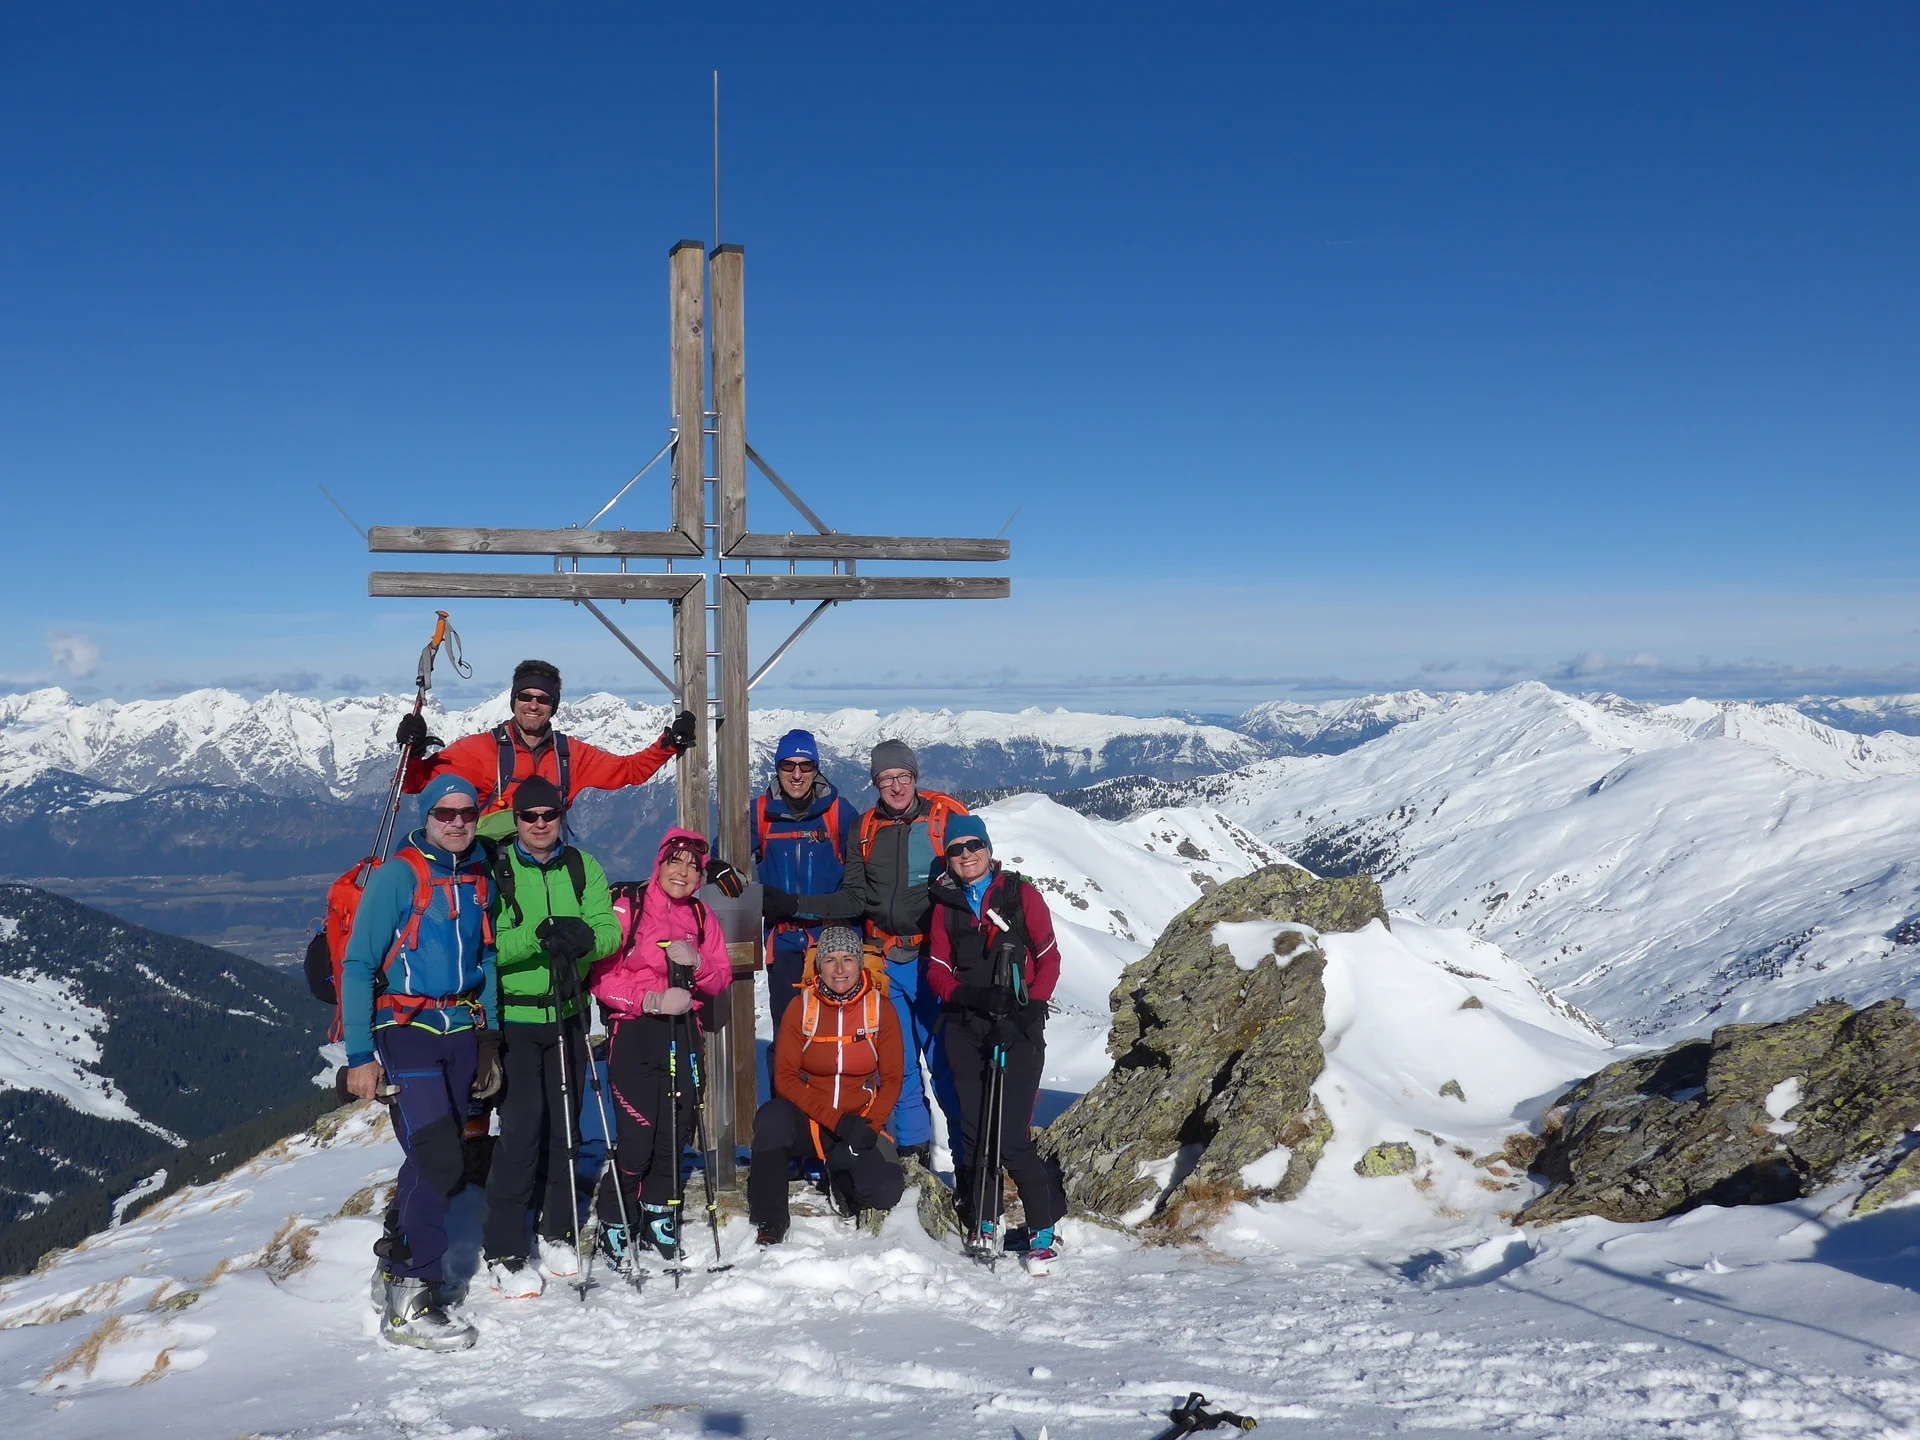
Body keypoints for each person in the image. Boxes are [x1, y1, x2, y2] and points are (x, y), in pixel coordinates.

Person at [339, 774, 500, 1350]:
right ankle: (412, 1295)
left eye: (467, 814)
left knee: (437, 1154)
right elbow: (358, 965)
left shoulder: (477, 874)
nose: (457, 822)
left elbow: (486, 958)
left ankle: (395, 1265)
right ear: (427, 816)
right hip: (405, 1031)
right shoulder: (398, 875)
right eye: (445, 813)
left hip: (460, 1030)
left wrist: (489, 1036)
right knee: (438, 1156)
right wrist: (360, 1056)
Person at [762, 740, 967, 1167]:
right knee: (899, 1066)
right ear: (875, 783)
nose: (896, 786)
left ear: (915, 777)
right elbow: (853, 898)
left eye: (903, 776)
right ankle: (912, 1158)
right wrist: (795, 905)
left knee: (946, 1064)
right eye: (886, 778)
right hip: (885, 960)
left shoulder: (942, 822)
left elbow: (972, 875)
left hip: (933, 960)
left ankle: (968, 1158)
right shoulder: (865, 829)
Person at [480, 776, 621, 1298]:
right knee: (520, 1132)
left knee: (566, 1127)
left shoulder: (582, 866)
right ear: (516, 819)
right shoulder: (497, 871)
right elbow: (489, 945)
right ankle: (503, 1246)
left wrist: (585, 940)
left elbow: (608, 929)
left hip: (567, 1013)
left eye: (549, 814)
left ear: (561, 816)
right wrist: (538, 936)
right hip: (517, 1019)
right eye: (530, 816)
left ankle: (557, 1227)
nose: (540, 824)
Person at [925, 814, 1067, 1276]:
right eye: (956, 849)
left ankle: (1043, 1226)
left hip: (1018, 1027)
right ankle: (985, 1217)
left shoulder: (1020, 895)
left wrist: (1026, 1014)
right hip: (966, 1026)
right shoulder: (945, 904)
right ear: (948, 857)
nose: (966, 855)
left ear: (988, 849)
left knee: (1009, 1138)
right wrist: (970, 996)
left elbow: (1048, 957)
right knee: (972, 1131)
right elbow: (937, 969)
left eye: (974, 846)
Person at [586, 829, 733, 1265]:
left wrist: (698, 964)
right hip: (634, 1033)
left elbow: (720, 978)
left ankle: (657, 1215)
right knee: (637, 1139)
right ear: (660, 863)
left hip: (684, 1030)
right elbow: (601, 978)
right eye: (675, 861)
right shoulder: (628, 907)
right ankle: (616, 1220)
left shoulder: (702, 916)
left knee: (674, 1131)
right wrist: (649, 1000)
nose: (683, 872)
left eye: (693, 867)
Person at [397, 659, 698, 838]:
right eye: (525, 696)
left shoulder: (571, 755)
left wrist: (669, 744)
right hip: (489, 867)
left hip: (547, 863)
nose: (533, 705)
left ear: (553, 706)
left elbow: (628, 771)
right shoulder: (478, 750)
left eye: (543, 699)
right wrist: (412, 754)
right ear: (513, 700)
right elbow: (413, 784)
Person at [748, 925, 906, 1245]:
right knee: (771, 1118)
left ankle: (840, 1176)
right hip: (810, 1120)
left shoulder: (880, 1009)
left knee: (884, 1190)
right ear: (818, 966)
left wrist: (869, 1126)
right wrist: (837, 1122)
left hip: (859, 1120)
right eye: (830, 959)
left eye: (848, 959)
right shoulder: (802, 1007)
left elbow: (892, 1080)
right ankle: (770, 1217)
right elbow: (785, 1078)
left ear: (860, 963)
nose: (839, 969)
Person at [752, 729, 859, 1053]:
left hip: (833, 942)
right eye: (788, 765)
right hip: (784, 944)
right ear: (777, 768)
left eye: (805, 765)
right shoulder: (759, 814)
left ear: (816, 769)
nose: (797, 774)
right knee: (788, 1035)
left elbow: (859, 881)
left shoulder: (839, 813)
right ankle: (783, 1088)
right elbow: (723, 856)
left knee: (837, 1037)